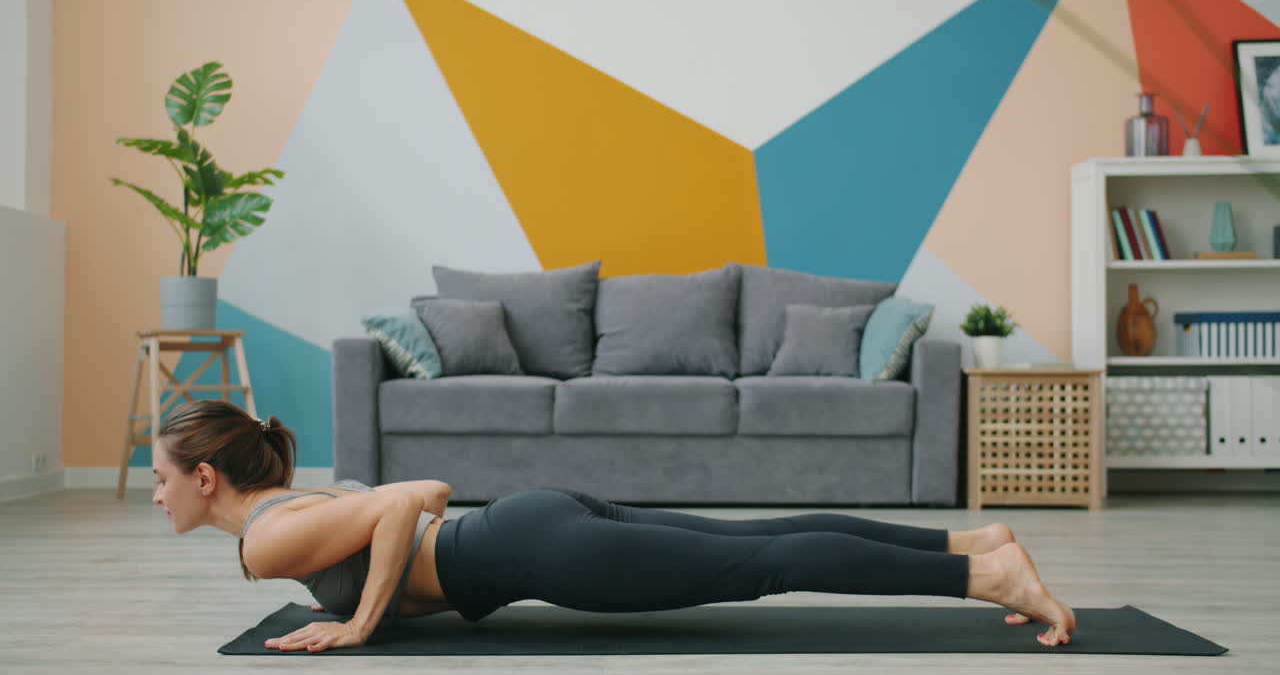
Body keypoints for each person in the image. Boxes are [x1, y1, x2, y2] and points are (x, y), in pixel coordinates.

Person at [152, 400, 1076, 653]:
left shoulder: (266, 538)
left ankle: (986, 579)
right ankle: (971, 543)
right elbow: (422, 493)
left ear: (205, 478)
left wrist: (360, 622)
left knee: (762, 563)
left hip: (532, 548)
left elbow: (404, 502)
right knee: (756, 538)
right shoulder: (294, 505)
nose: (156, 496)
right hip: (530, 522)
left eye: (160, 479)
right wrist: (389, 586)